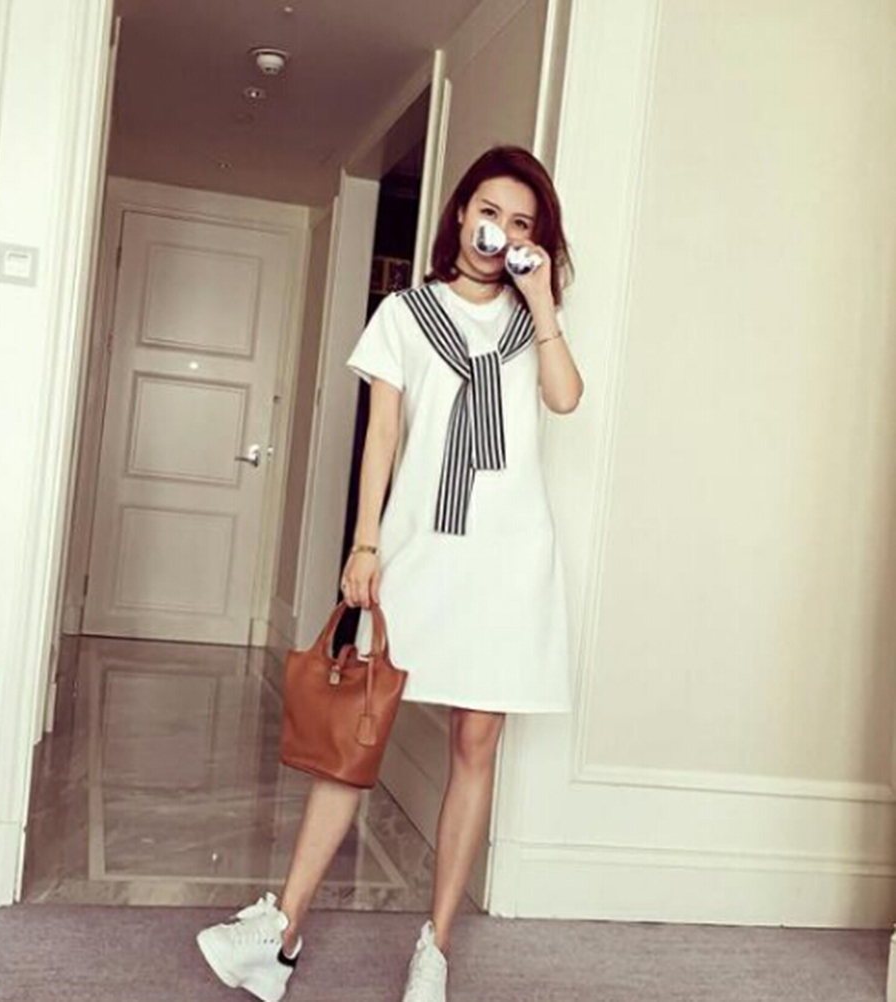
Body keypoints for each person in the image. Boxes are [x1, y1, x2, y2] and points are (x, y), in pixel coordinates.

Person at [196, 145, 582, 1002]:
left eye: (522, 222)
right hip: (421, 549)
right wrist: (365, 545)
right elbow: (382, 436)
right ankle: (282, 931)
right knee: (356, 737)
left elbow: (563, 398)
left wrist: (542, 300)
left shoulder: (532, 322)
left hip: (510, 559)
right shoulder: (406, 315)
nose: (500, 231)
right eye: (490, 211)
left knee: (475, 744)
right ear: (461, 213)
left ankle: (434, 948)